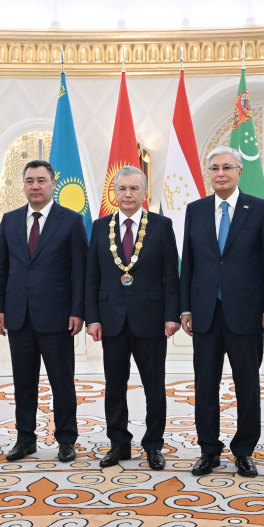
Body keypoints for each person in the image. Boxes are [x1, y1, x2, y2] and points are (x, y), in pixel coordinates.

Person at [180, 146, 264, 478]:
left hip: (247, 313)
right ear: (208, 174)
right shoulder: (194, 210)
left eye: (227, 167)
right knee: (205, 385)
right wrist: (185, 308)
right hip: (205, 313)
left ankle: (244, 451)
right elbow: (189, 265)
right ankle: (208, 449)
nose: (220, 173)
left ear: (239, 172)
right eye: (214, 168)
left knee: (247, 386)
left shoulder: (261, 209)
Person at [0, 160, 88, 463]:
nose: (35, 185)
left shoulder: (70, 221)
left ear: (52, 183)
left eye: (41, 180)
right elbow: (0, 268)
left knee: (62, 381)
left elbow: (79, 271)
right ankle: (25, 439)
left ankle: (67, 439)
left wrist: (78, 310)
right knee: (23, 382)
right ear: (23, 184)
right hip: (18, 315)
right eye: (30, 180)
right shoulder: (10, 220)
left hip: (57, 316)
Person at [85, 166, 180, 470]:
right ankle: (119, 444)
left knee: (154, 386)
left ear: (144, 192)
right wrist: (92, 318)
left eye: (134, 188)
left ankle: (153, 445)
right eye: (122, 189)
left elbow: (170, 276)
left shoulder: (161, 226)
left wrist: (171, 315)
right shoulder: (100, 227)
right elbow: (92, 276)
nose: (127, 194)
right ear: (113, 193)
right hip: (111, 319)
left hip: (151, 319)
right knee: (114, 385)